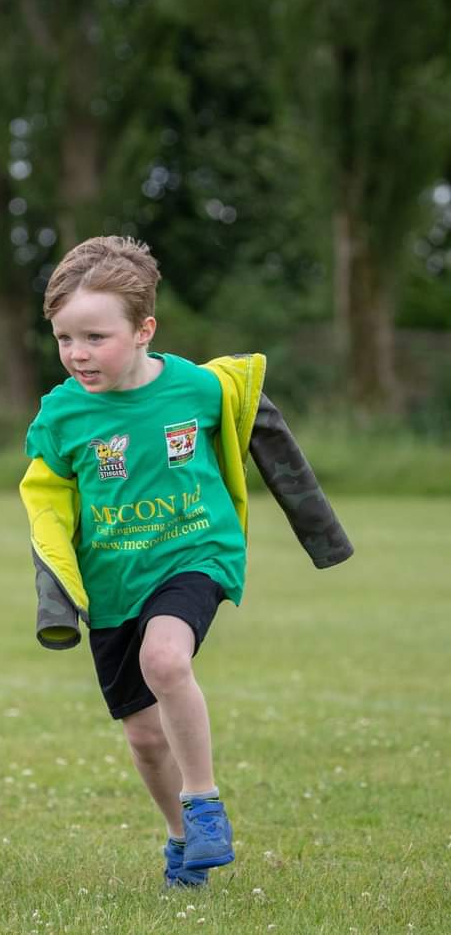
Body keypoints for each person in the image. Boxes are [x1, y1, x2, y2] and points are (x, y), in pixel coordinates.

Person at [19, 236, 352, 888]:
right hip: (114, 580)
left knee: (166, 659)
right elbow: (47, 505)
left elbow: (264, 434)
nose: (78, 355)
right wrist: (58, 592)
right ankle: (180, 838)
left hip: (195, 552)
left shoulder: (199, 390)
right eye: (64, 339)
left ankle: (204, 804)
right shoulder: (60, 415)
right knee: (144, 737)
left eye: (95, 336)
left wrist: (320, 531)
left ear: (145, 329)